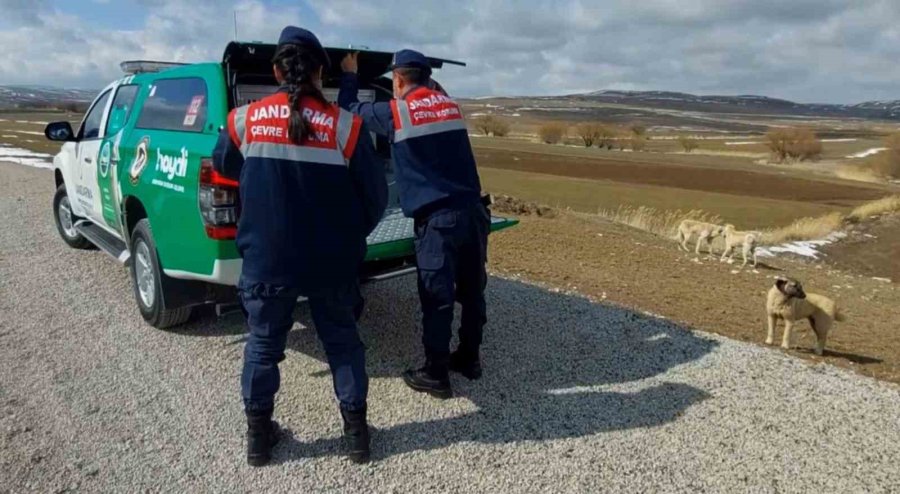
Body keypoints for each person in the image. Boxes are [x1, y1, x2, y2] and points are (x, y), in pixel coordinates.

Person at [213, 26, 387, 466]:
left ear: (276, 71)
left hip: (267, 259)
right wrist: (352, 236)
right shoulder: (347, 126)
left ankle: (258, 439)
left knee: (263, 345)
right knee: (343, 343)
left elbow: (225, 168)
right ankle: (357, 436)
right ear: (320, 74)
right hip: (331, 259)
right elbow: (375, 198)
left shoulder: (242, 120)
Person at [338, 49, 490, 400]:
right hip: (473, 213)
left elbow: (349, 108)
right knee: (472, 291)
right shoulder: (451, 106)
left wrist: (349, 74)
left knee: (437, 297)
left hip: (439, 222)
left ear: (398, 80)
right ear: (428, 78)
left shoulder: (397, 112)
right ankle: (470, 358)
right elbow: (433, 92)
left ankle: (435, 374)